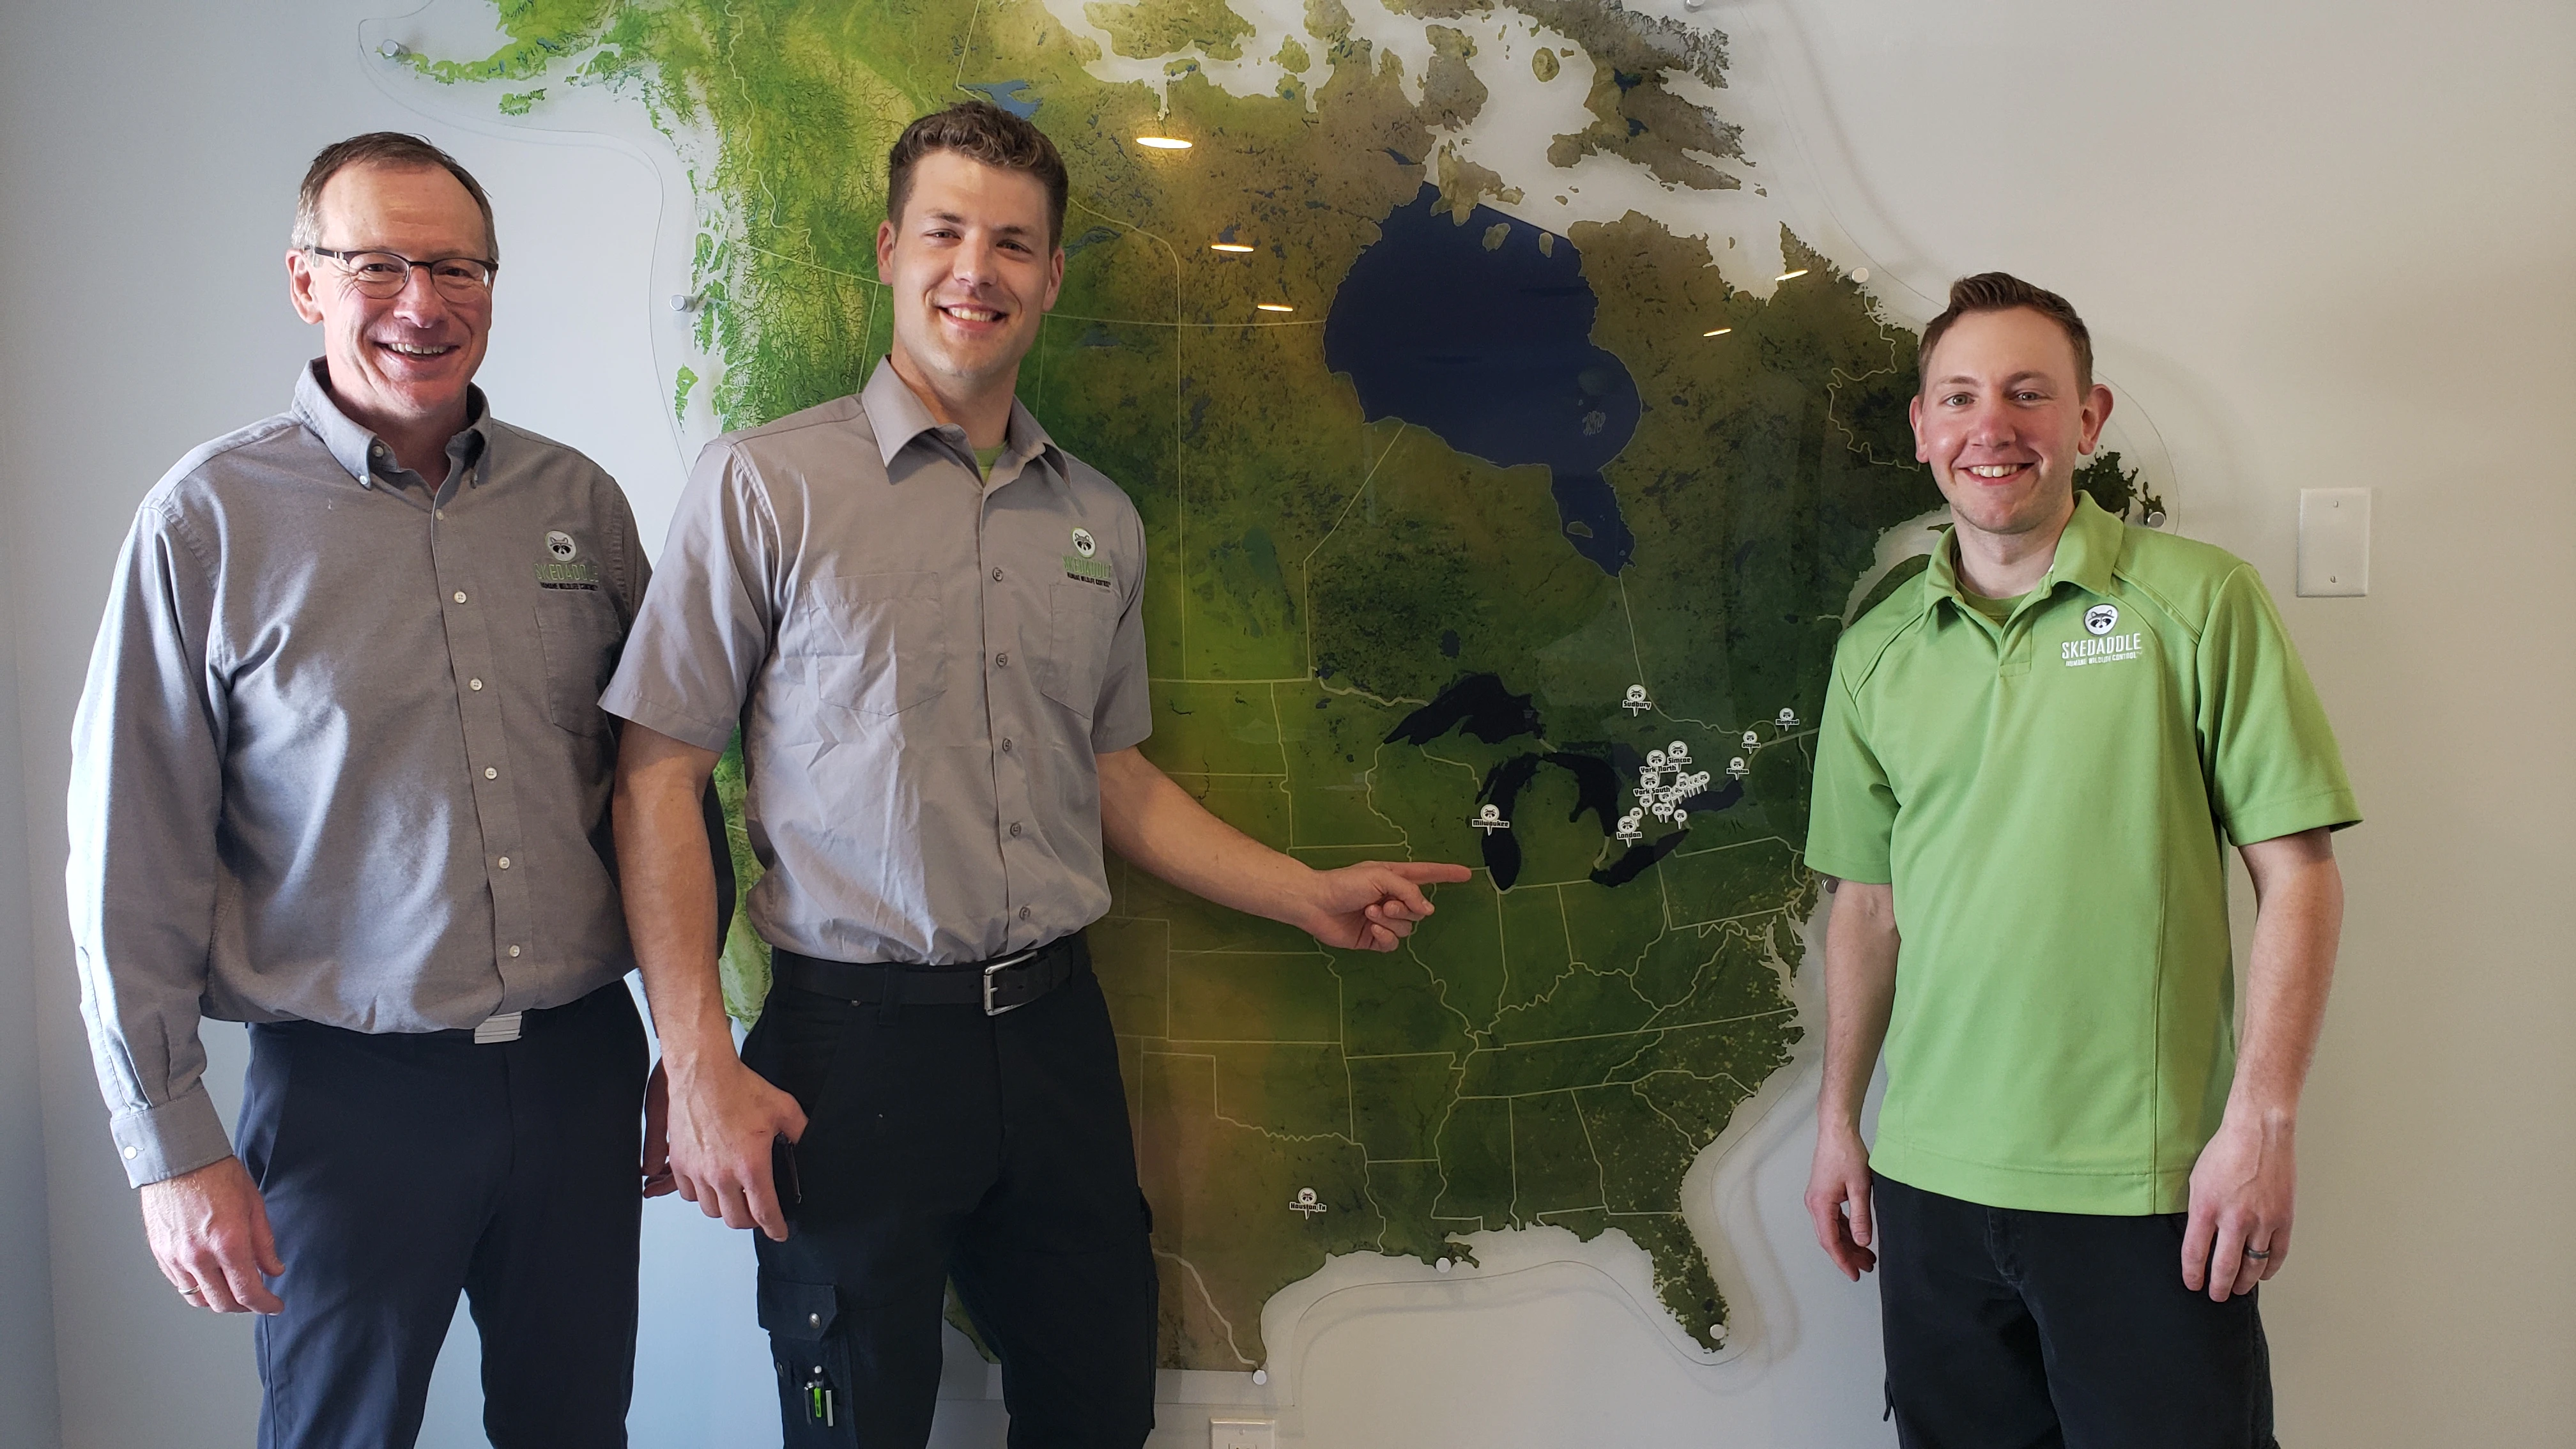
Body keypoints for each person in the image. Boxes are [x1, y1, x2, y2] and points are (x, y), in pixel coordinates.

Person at [602, 100, 1469, 1448]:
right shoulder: (764, 486)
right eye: (946, 232)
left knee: (1096, 1412)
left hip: (1060, 1044)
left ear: (1052, 277)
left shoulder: (1098, 520)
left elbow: (1112, 779)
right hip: (852, 1048)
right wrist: (696, 1059)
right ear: (891, 249)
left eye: (1014, 244)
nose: (977, 270)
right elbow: (658, 777)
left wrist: (1302, 893)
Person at [66, 133, 656, 1449]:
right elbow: (128, 863)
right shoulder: (205, 523)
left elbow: (658, 803)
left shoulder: (584, 509)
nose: (420, 301)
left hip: (576, 1075)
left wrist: (693, 1046)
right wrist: (172, 1147)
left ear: (493, 289)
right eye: (377, 261)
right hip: (348, 1103)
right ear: (303, 281)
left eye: (456, 266)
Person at [1802, 273, 2356, 1448]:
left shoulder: (2201, 604)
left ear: (2088, 419)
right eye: (1957, 396)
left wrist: (2262, 1124)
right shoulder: (1878, 647)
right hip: (1931, 1189)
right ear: (1921, 430)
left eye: (2025, 393)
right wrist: (1841, 1120)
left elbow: (2298, 875)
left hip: (2147, 1192)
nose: (1988, 425)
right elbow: (1868, 903)